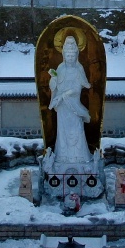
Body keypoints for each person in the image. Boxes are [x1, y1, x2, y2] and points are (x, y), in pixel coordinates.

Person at [49, 34, 91, 165]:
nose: (70, 58)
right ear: (64, 55)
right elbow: (53, 87)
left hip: (74, 105)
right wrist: (54, 78)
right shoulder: (60, 68)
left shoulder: (79, 69)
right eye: (68, 55)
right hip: (62, 107)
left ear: (77, 55)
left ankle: (80, 157)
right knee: (63, 133)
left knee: (77, 130)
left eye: (73, 55)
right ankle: (62, 157)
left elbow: (81, 87)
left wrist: (67, 93)